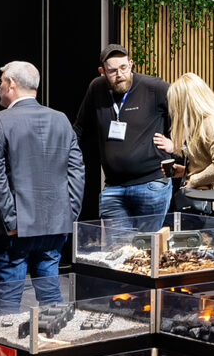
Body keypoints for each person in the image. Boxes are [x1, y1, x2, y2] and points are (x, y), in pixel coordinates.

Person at [0, 61, 84, 309]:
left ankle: (11, 349)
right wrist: (67, 217)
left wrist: (11, 221)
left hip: (15, 231)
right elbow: (77, 173)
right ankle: (55, 347)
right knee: (51, 300)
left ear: (11, 84)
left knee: (8, 304)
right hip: (53, 228)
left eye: (1, 82)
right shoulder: (61, 120)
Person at [74, 45, 173, 229]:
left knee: (147, 251)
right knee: (118, 253)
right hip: (113, 189)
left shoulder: (153, 87)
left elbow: (189, 113)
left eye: (123, 68)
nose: (119, 74)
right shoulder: (96, 88)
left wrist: (176, 145)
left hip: (151, 186)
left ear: (131, 64)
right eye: (112, 71)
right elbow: (80, 128)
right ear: (102, 71)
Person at [165, 73, 214, 212]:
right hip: (209, 202)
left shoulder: (212, 124)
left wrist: (193, 180)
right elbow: (209, 162)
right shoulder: (203, 123)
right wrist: (186, 172)